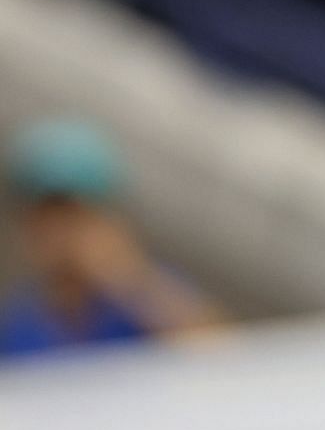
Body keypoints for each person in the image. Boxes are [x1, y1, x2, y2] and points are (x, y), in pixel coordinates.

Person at [0, 117, 224, 358]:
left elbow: (222, 358)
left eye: (73, 216)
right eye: (44, 218)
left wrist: (128, 279)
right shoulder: (18, 324)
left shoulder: (148, 297)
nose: (58, 233)